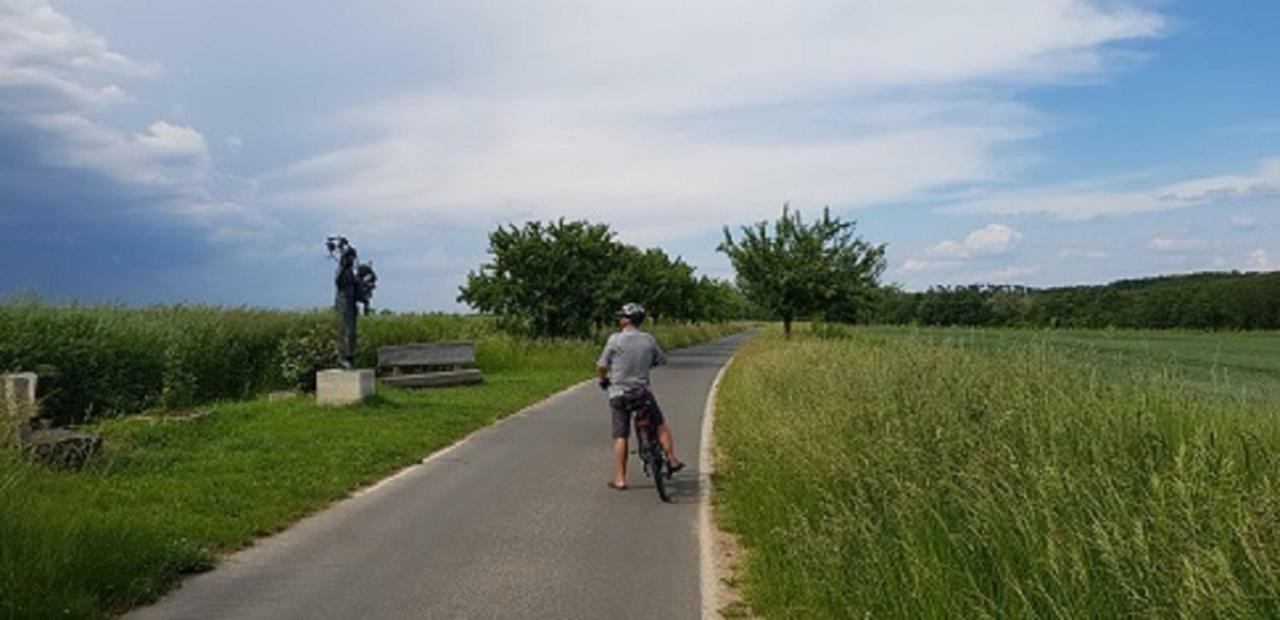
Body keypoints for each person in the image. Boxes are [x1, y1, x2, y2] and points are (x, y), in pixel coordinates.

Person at [596, 302, 685, 490]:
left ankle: (620, 478)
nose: (619, 319)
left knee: (621, 435)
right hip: (642, 392)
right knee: (659, 423)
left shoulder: (614, 340)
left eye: (622, 316)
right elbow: (661, 360)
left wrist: (603, 380)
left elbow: (602, 366)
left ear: (627, 320)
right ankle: (672, 458)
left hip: (619, 393)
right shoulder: (648, 339)